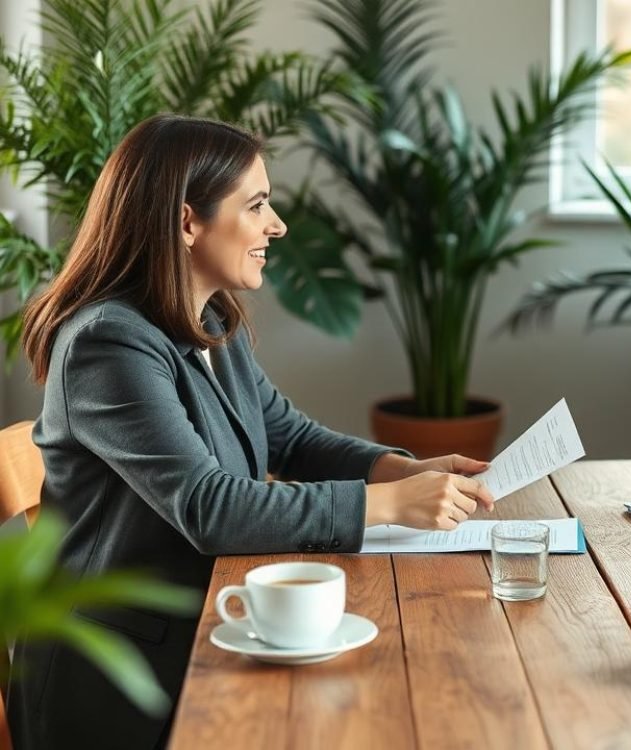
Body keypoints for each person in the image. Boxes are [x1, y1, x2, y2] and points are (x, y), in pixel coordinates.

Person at [7, 114, 496, 749]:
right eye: (257, 205)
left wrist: (402, 470)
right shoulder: (108, 344)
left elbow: (291, 437)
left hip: (203, 628)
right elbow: (209, 507)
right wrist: (389, 505)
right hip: (116, 680)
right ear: (188, 222)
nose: (277, 225)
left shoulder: (208, 318)